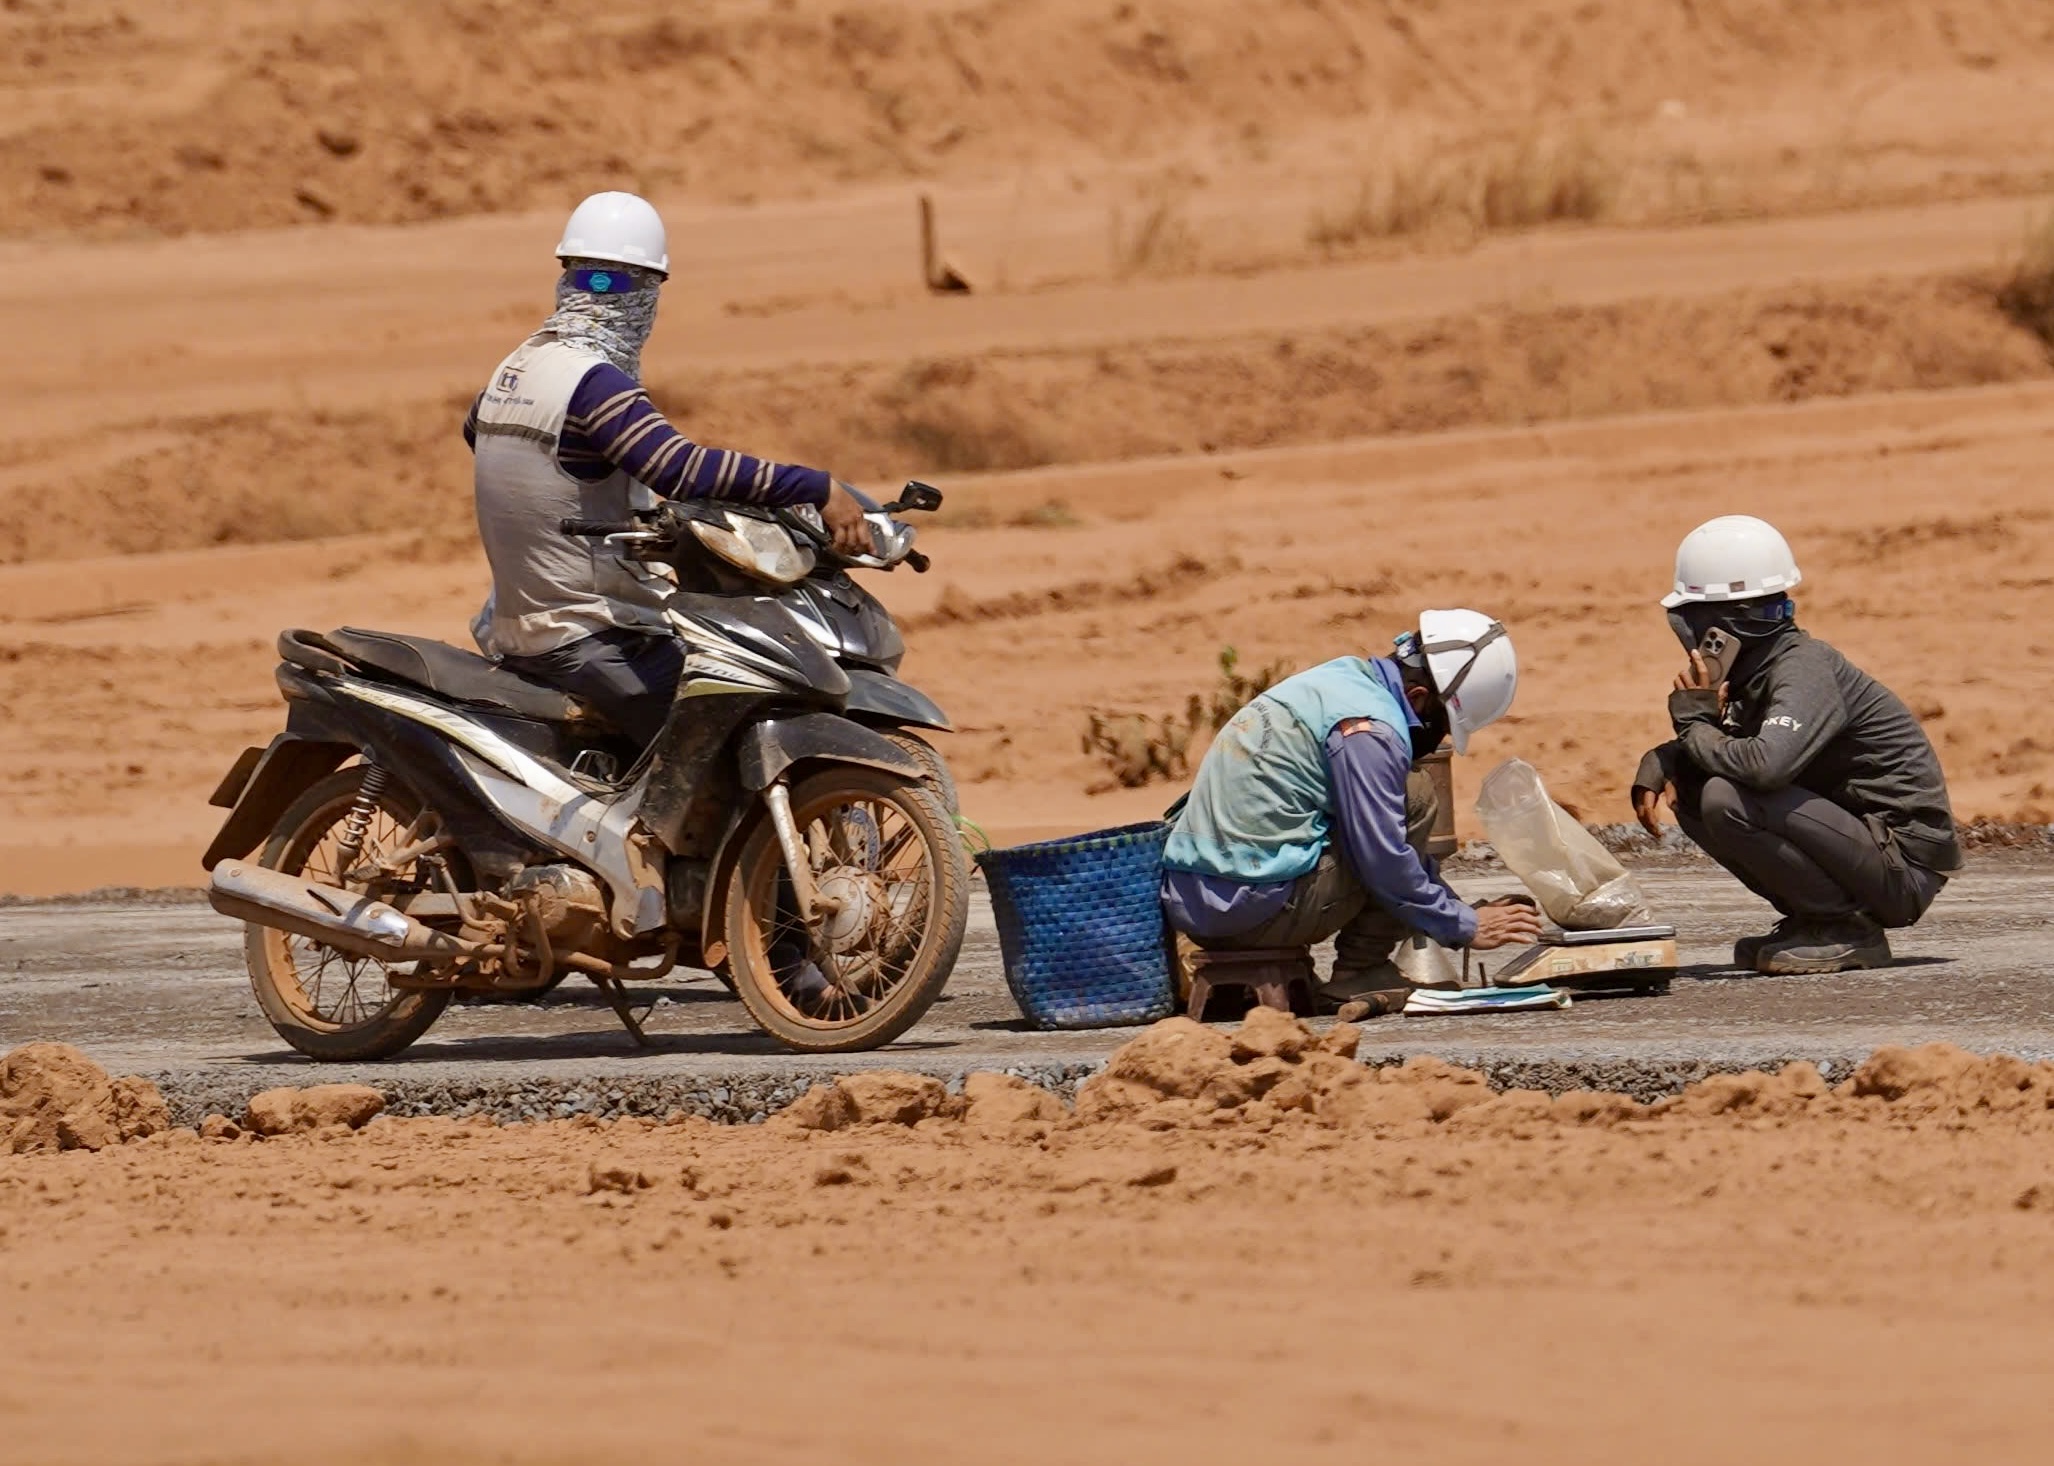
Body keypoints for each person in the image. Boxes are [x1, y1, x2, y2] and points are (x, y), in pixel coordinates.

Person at [463, 191, 873, 745]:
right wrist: (816, 486)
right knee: (725, 720)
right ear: (645, 292)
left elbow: (484, 437)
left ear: (568, 275)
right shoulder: (594, 384)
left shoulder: (516, 368)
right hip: (588, 630)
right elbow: (680, 470)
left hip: (516, 623)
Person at [1160, 610, 1542, 1013]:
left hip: (1197, 906)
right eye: (1442, 724)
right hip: (1252, 913)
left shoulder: (1339, 681)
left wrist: (1454, 907)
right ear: (1418, 697)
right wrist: (1464, 925)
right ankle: (1361, 969)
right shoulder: (1369, 732)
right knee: (1414, 794)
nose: (1438, 738)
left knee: (1376, 820)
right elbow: (1384, 859)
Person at [1631, 516, 1961, 974]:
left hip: (1902, 868)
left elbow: (1765, 767)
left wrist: (1694, 724)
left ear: (1720, 626)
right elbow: (1743, 753)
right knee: (1693, 785)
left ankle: (1847, 929)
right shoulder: (1756, 672)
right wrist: (1670, 758)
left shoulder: (1803, 668)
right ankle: (1815, 920)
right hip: (1867, 849)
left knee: (1726, 797)